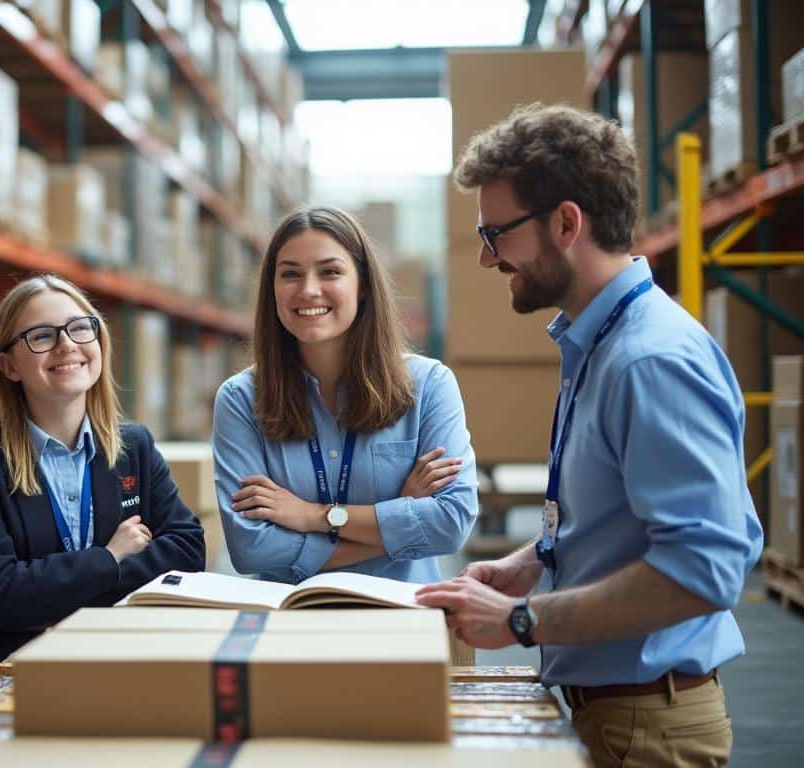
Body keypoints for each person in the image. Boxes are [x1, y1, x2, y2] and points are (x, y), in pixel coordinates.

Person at [415, 104, 762, 767]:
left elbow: (707, 567)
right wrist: (531, 565)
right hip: (616, 711)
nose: (488, 259)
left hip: (647, 726)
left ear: (566, 223)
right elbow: (618, 516)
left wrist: (522, 621)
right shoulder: (598, 343)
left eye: (496, 235)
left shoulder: (648, 360)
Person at [0, 275, 206, 680]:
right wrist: (109, 557)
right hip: (14, 676)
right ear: (8, 365)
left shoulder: (133, 445)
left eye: (80, 328)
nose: (67, 345)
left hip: (121, 662)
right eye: (41, 336)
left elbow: (187, 551)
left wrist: (54, 590)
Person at [212, 206, 477, 585]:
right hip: (293, 624)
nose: (308, 290)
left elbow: (451, 524)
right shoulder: (241, 400)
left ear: (364, 284)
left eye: (330, 271)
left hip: (400, 623)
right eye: (290, 274)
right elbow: (250, 548)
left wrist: (312, 516)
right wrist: (397, 516)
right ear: (272, 289)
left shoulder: (430, 385)